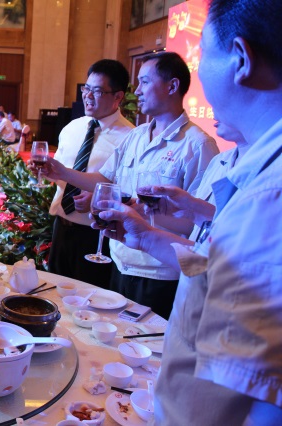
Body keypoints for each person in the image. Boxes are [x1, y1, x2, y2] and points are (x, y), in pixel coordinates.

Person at [97, 2, 282, 423]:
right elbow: (211, 269)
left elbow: (245, 394)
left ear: (240, 59)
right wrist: (146, 236)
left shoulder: (268, 198)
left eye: (204, 57)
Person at [34, 52, 219, 319]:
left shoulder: (198, 145)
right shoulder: (138, 136)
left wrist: (144, 213)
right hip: (120, 261)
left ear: (172, 86)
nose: (138, 91)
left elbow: (202, 225)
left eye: (145, 82)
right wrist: (61, 171)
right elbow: (105, 180)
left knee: (147, 339)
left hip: (159, 271)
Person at [45, 59, 135, 286]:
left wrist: (98, 199)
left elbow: (131, 189)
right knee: (55, 293)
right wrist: (46, 172)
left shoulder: (130, 138)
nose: (88, 96)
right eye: (86, 89)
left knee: (90, 298)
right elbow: (61, 174)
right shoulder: (72, 128)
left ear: (118, 96)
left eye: (98, 91)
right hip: (61, 227)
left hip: (97, 236)